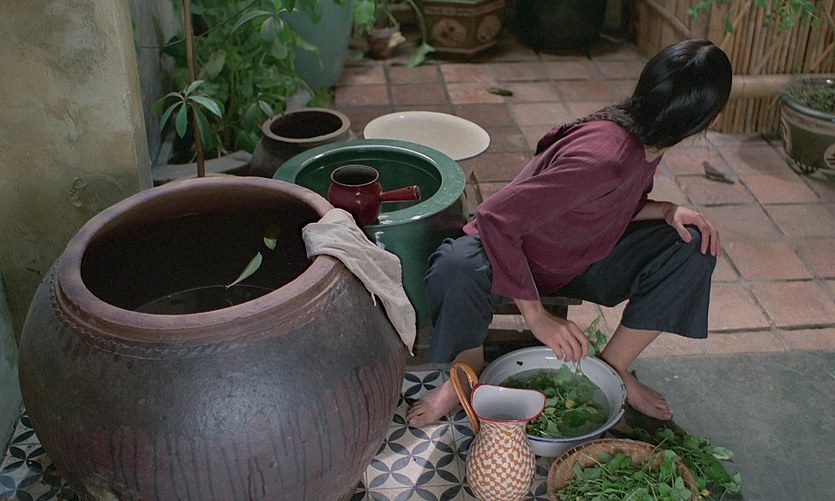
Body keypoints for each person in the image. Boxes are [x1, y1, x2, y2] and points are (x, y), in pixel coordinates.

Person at [406, 39, 733, 427]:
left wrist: (666, 210)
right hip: (519, 258)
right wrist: (538, 317)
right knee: (457, 267)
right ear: (707, 120)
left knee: (693, 244)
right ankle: (466, 373)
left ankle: (613, 368)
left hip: (580, 254)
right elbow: (495, 219)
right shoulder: (605, 156)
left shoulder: (645, 134)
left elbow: (609, 203)